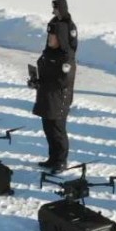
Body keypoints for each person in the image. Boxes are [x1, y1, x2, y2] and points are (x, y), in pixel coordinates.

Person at [29, 22, 73, 172]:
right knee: (48, 129)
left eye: (53, 36)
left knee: (57, 131)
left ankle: (61, 160)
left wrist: (43, 83)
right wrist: (36, 81)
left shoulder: (66, 57)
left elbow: (63, 81)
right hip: (46, 97)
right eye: (49, 36)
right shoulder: (47, 52)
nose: (50, 39)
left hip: (58, 99)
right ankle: (52, 158)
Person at [49, 0, 79, 105]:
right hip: (54, 57)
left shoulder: (70, 25)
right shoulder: (53, 22)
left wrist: (68, 57)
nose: (54, 10)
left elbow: (73, 44)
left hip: (66, 58)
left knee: (66, 83)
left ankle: (66, 103)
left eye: (55, 8)